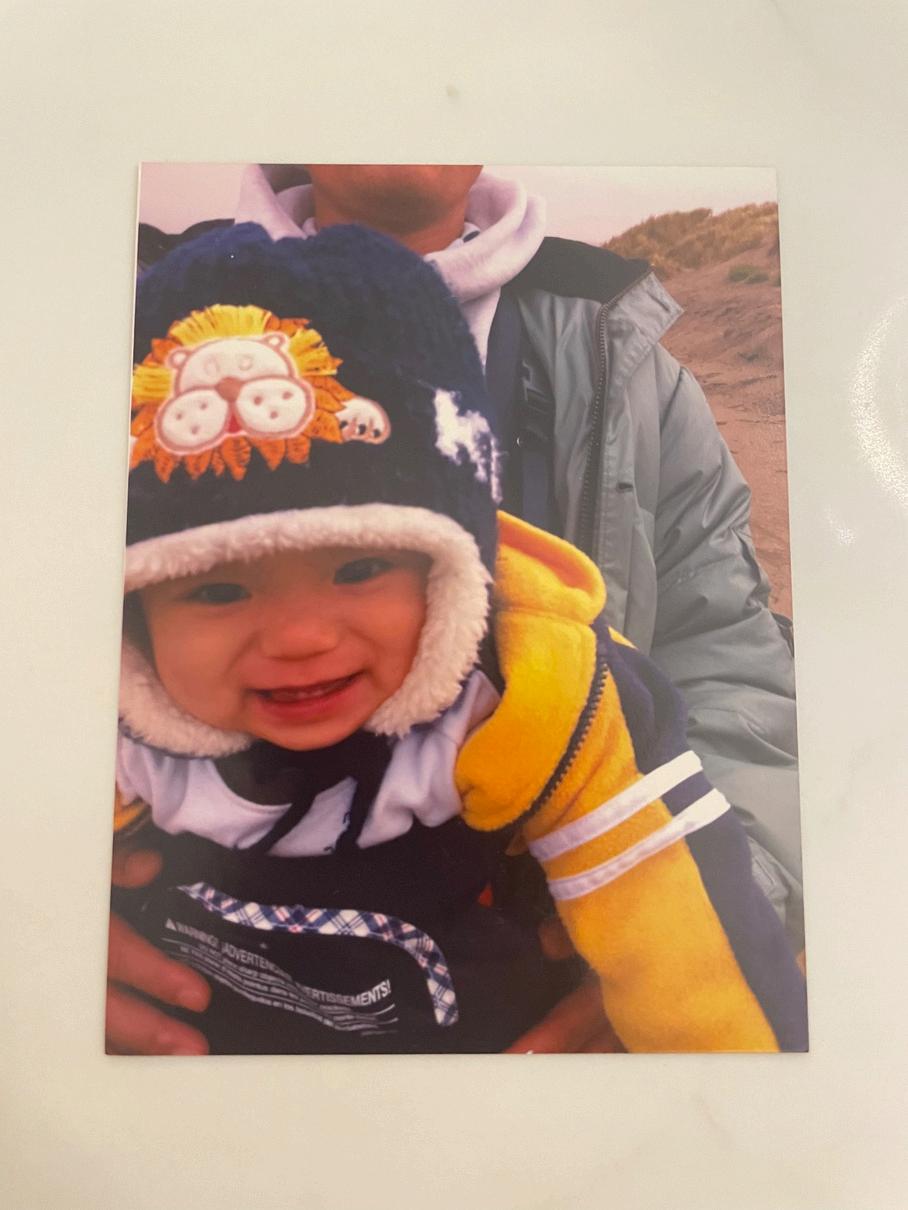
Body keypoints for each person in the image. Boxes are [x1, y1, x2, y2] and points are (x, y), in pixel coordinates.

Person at [111, 165, 803, 1054]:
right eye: (216, 586)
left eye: (362, 567)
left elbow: (730, 656)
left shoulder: (626, 363)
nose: (301, 637)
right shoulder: (97, 319)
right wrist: (40, 942)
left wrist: (682, 952)